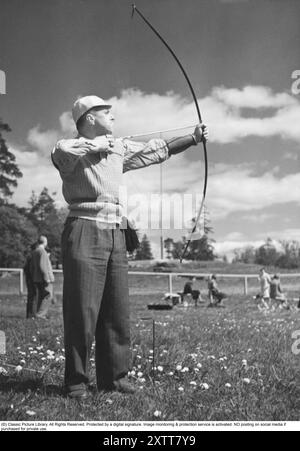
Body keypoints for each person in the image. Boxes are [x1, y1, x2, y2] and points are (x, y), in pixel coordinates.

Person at [51, 95, 208, 399]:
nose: (112, 115)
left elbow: (155, 150)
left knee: (116, 309)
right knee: (82, 309)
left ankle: (115, 378)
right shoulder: (67, 148)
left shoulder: (118, 148)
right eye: (104, 111)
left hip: (116, 230)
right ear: (88, 119)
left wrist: (192, 138)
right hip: (84, 225)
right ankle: (76, 382)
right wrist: (94, 146)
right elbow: (62, 154)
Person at [31, 235, 55, 319]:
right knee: (48, 296)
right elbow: (43, 266)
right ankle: (40, 315)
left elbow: (32, 266)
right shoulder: (43, 252)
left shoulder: (35, 251)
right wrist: (46, 278)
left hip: (37, 278)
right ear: (45, 242)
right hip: (43, 278)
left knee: (41, 296)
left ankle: (39, 313)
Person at [24, 242, 38, 319]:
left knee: (31, 297)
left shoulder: (30, 256)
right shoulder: (32, 257)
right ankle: (31, 314)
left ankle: (30, 314)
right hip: (31, 280)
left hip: (29, 279)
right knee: (33, 297)